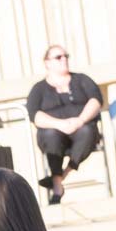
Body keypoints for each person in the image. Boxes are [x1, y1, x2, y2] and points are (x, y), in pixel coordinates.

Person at [26, 45, 103, 204]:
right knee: (50, 134)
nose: (64, 59)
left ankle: (59, 179)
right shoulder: (38, 89)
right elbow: (35, 115)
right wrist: (59, 124)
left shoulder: (82, 79)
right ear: (47, 62)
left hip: (81, 130)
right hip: (55, 135)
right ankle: (58, 182)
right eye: (58, 57)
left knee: (87, 131)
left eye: (66, 56)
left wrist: (80, 120)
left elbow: (96, 100)